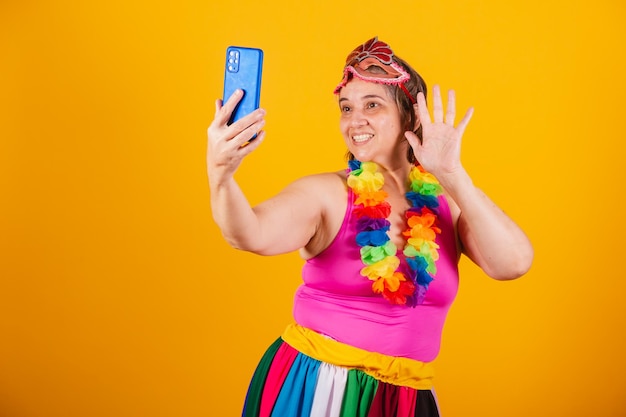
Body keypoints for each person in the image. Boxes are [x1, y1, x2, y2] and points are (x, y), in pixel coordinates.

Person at [207, 37, 533, 417]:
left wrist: (454, 176)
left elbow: (512, 264)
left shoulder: (448, 200)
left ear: (410, 116)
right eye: (346, 108)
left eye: (372, 105)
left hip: (410, 395)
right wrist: (220, 175)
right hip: (320, 387)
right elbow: (249, 234)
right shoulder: (326, 193)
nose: (354, 120)